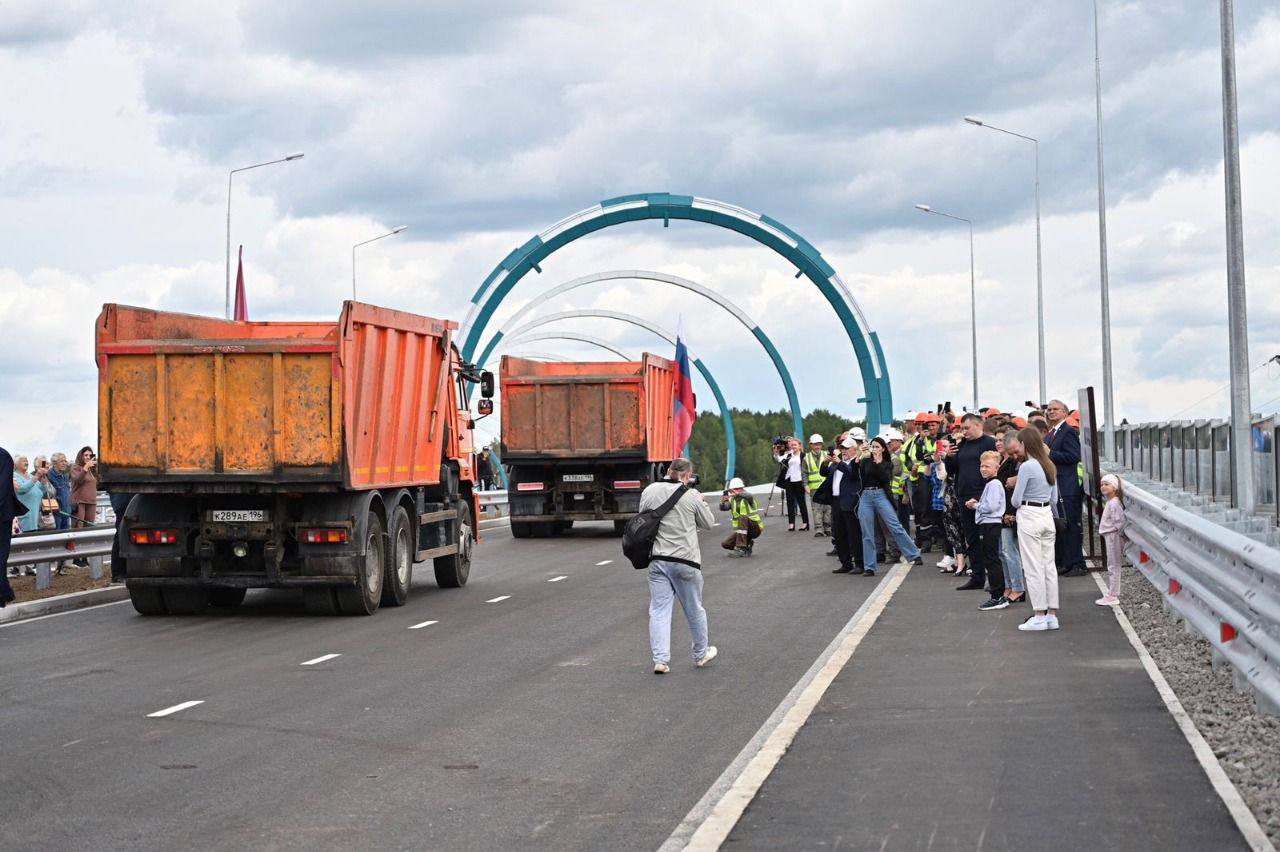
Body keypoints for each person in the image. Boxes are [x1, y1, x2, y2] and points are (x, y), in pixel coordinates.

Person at [639, 458, 717, 673]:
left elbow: (643, 516)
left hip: (657, 560)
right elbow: (709, 523)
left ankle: (660, 660)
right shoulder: (691, 496)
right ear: (686, 475)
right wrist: (701, 501)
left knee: (659, 610)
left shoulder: (650, 491)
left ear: (668, 470)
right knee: (694, 609)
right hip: (685, 561)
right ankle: (701, 654)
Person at [1012, 427, 1060, 631]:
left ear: (1024, 444)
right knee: (1049, 566)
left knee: (1033, 567)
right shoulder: (1049, 464)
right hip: (1047, 515)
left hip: (1029, 515)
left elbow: (1015, 500)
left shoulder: (1027, 467)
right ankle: (1051, 615)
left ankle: (1039, 614)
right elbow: (1054, 498)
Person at [945, 414, 997, 591]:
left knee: (989, 540)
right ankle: (977, 576)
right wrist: (949, 457)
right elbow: (952, 471)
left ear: (977, 425)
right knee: (972, 538)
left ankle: (995, 578)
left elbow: (995, 468)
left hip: (983, 496)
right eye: (962, 428)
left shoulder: (989, 443)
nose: (963, 432)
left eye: (967, 428)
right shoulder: (962, 445)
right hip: (964, 495)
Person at [857, 437, 922, 576]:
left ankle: (913, 554)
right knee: (867, 532)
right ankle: (869, 566)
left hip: (880, 495)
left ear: (883, 449)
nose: (874, 449)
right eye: (872, 447)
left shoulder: (887, 463)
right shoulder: (865, 462)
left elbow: (885, 478)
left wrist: (878, 463)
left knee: (895, 526)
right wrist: (859, 457)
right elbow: (860, 476)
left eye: (877, 447)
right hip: (866, 496)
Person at [1044, 399, 1085, 576]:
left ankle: (1077, 564)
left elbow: (1074, 456)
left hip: (1067, 486)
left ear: (1064, 412)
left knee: (1071, 525)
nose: (1051, 412)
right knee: (1061, 526)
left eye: (1055, 409)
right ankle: (1067, 562)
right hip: (1056, 486)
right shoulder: (1050, 433)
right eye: (1049, 409)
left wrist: (1050, 454)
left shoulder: (1067, 432)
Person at [968, 451, 1008, 609]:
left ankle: (997, 596)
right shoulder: (991, 484)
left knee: (991, 560)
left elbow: (991, 507)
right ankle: (998, 594)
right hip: (989, 524)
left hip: (991, 524)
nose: (983, 469)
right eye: (981, 466)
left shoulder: (994, 484)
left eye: (987, 466)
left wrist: (975, 505)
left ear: (996, 468)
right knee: (991, 559)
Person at [829, 432, 865, 575]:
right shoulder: (840, 463)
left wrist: (840, 463)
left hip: (851, 501)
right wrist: (828, 462)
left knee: (854, 533)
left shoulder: (857, 461)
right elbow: (826, 472)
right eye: (842, 448)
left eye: (847, 448)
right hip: (836, 500)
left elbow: (853, 475)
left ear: (854, 449)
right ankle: (845, 563)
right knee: (839, 533)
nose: (844, 451)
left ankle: (859, 563)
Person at [997, 429, 1026, 605]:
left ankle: (1017, 588)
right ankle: (1010, 585)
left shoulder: (1025, 464)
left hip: (1013, 512)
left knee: (1010, 551)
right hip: (1005, 512)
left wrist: (1011, 513)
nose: (1015, 455)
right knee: (1003, 552)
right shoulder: (1008, 462)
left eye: (1016, 451)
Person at [1096, 473, 1127, 606]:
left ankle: (1113, 594)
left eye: (1106, 484)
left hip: (1113, 536)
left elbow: (1119, 522)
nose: (1103, 487)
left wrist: (1121, 536)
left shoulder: (1114, 503)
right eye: (1102, 484)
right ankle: (1112, 592)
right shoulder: (1111, 501)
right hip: (1111, 535)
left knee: (1113, 564)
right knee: (1112, 564)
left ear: (1115, 487)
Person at [0, 447, 23, 606]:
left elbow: (2, 488)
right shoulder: (3, 456)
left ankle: (4, 592)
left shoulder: (3, 456)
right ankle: (4, 592)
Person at [720, 477, 763, 557]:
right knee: (725, 544)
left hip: (755, 528)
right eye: (734, 489)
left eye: (738, 489)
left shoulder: (748, 498)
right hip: (742, 531)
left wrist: (738, 493)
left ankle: (740, 548)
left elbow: (749, 496)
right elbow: (724, 508)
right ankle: (748, 544)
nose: (735, 491)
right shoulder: (733, 500)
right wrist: (724, 501)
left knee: (742, 517)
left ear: (742, 488)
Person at [774, 437, 810, 532]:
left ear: (799, 446)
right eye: (792, 445)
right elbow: (779, 459)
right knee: (790, 502)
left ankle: (805, 523)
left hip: (799, 480)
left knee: (801, 502)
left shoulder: (803, 456)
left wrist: (806, 483)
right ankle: (791, 524)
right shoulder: (789, 455)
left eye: (795, 445)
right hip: (789, 480)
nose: (793, 446)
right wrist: (776, 451)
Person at [803, 434, 830, 537]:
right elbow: (804, 472)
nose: (817, 446)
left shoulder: (826, 455)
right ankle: (819, 529)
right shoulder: (807, 457)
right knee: (816, 508)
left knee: (828, 508)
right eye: (815, 444)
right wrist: (805, 485)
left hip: (826, 486)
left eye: (819, 444)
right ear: (811, 445)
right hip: (814, 487)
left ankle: (828, 528)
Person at [13, 455, 43, 534]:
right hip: (24, 518)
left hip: (36, 518)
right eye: (23, 460)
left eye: (27, 460)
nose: (26, 462)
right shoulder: (13, 476)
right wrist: (37, 475)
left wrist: (44, 476)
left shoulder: (30, 476)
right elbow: (21, 489)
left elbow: (43, 490)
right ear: (15, 464)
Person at [71, 447, 99, 529]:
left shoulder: (92, 469)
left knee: (89, 527)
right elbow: (78, 480)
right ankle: (75, 542)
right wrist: (85, 468)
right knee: (78, 527)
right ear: (81, 456)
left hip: (91, 502)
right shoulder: (76, 468)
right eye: (85, 455)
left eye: (90, 455)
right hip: (80, 502)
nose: (88, 457)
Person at [47, 452, 73, 530]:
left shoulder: (65, 476)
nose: (64, 463)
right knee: (56, 538)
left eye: (65, 461)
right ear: (54, 463)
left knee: (66, 538)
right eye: (62, 461)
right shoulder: (49, 475)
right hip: (56, 514)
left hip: (66, 512)